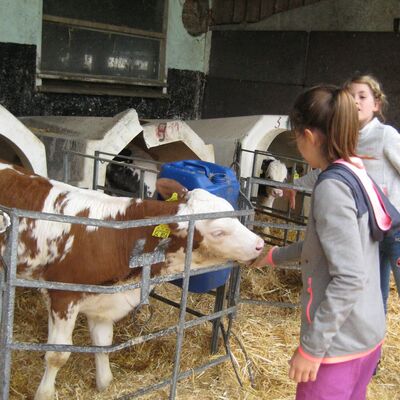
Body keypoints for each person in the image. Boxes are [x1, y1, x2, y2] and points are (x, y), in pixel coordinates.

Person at [260, 85, 386, 399]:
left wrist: (312, 349)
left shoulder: (332, 188)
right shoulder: (356, 170)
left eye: (296, 138)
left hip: (337, 348)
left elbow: (349, 277)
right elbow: (334, 250)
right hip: (366, 335)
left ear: (309, 136)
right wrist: (274, 255)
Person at [286, 74, 400, 313]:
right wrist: (293, 185)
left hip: (395, 224)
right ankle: (375, 330)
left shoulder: (385, 136)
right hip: (368, 227)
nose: (356, 101)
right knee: (373, 288)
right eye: (351, 96)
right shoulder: (346, 138)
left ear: (377, 104)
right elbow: (324, 171)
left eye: (362, 96)